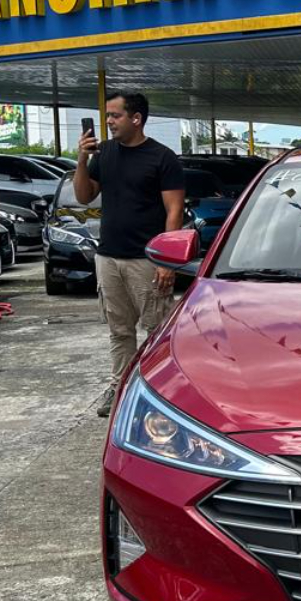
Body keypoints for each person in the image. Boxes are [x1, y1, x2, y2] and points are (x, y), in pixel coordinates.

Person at [74, 92, 185, 416]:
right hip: (108, 258)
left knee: (158, 330)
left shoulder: (162, 158)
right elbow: (84, 196)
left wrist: (167, 260)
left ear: (136, 118)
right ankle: (119, 387)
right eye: (107, 116)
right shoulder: (104, 153)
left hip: (146, 260)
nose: (108, 122)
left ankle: (161, 392)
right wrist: (82, 158)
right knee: (119, 331)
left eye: (115, 115)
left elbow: (174, 211)